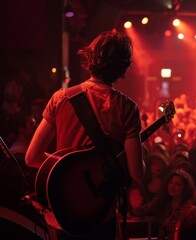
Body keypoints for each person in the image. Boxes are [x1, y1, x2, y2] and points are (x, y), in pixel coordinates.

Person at [25, 30, 145, 239]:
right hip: (102, 214)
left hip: (65, 212)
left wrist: (66, 172)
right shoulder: (128, 108)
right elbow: (136, 173)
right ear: (123, 67)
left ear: (91, 57)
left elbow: (31, 157)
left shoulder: (60, 98)